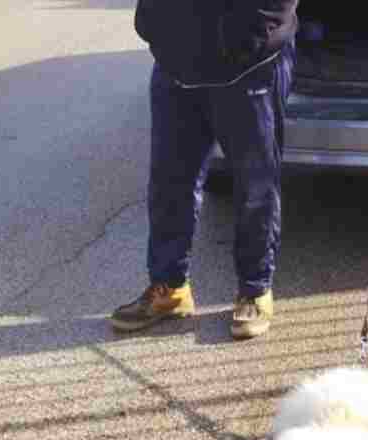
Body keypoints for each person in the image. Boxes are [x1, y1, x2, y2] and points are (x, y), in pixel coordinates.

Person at [112, 0, 299, 340]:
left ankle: (255, 290)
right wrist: (153, 23)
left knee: (255, 186)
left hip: (247, 66)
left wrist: (244, 38)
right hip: (176, 64)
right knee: (170, 183)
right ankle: (169, 289)